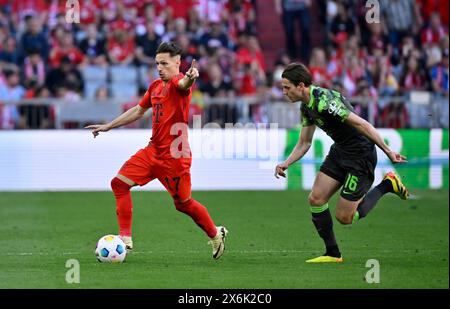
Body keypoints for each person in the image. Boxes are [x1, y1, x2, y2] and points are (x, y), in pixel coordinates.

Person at [85, 42, 228, 260]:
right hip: (153, 151)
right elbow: (138, 110)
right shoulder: (154, 87)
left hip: (175, 158)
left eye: (164, 63)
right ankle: (125, 238)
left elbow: (184, 84)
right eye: (157, 63)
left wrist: (192, 76)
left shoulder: (178, 83)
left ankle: (215, 233)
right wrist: (108, 126)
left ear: (177, 64)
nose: (159, 68)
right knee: (119, 183)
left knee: (183, 204)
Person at [274, 63, 409, 263]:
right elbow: (305, 142)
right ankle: (332, 254)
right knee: (316, 199)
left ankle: (387, 185)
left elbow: (362, 124)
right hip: (340, 151)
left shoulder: (325, 102)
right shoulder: (306, 107)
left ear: (300, 85)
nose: (284, 92)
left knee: (345, 218)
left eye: (287, 87)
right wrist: (286, 162)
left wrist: (388, 151)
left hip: (360, 154)